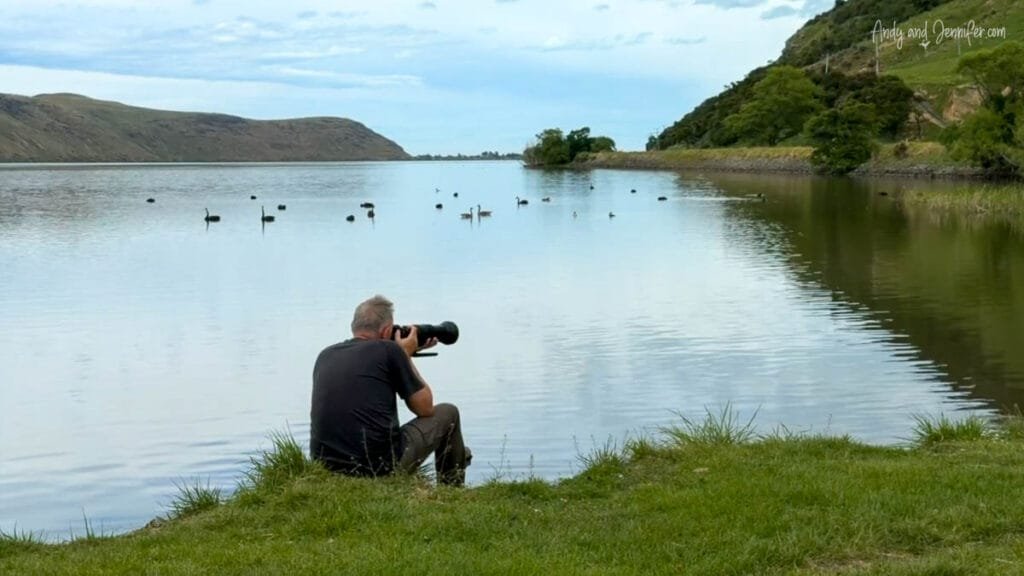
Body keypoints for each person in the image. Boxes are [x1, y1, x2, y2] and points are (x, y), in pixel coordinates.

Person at [310, 295, 470, 486]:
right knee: (448, 413)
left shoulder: (325, 355)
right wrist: (405, 355)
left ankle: (461, 457)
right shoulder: (390, 351)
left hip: (326, 467)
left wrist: (400, 357)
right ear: (387, 330)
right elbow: (425, 408)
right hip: (379, 468)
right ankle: (452, 489)